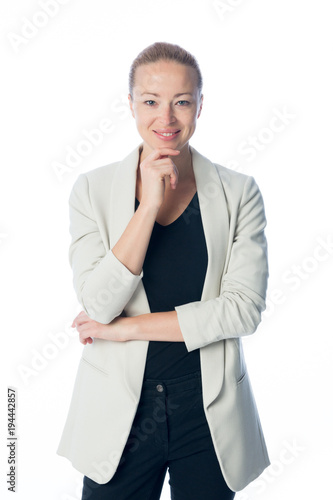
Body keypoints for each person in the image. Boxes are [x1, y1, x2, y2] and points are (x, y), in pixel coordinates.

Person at [57, 42, 270, 500]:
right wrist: (148, 206)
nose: (166, 118)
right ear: (130, 103)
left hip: (208, 412)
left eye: (182, 101)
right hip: (121, 414)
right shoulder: (91, 191)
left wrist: (125, 329)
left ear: (199, 105)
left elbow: (242, 311)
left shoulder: (239, 193)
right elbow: (99, 303)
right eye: (151, 101)